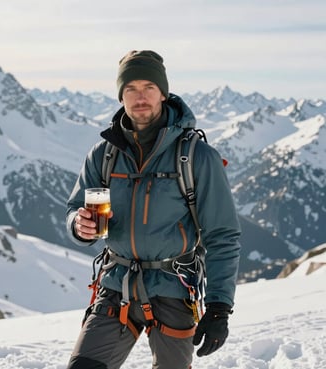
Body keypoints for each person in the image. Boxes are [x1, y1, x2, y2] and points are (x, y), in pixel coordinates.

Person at [66, 50, 241, 369]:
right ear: (121, 96)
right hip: (116, 284)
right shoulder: (103, 154)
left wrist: (219, 307)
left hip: (175, 286)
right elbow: (76, 207)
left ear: (163, 92)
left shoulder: (197, 157)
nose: (140, 96)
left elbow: (223, 235)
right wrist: (79, 226)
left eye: (148, 86)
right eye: (130, 88)